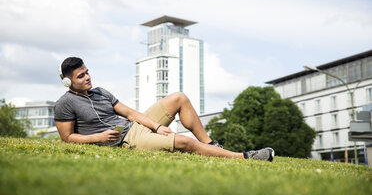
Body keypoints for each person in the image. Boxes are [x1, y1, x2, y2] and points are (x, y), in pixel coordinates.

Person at [54, 57, 274, 161]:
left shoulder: (100, 92)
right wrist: (98, 137)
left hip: (134, 126)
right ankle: (245, 157)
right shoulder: (66, 103)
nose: (88, 77)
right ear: (68, 82)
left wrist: (157, 126)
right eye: (81, 76)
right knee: (186, 142)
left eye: (87, 72)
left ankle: (211, 145)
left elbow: (131, 113)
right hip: (125, 140)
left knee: (179, 97)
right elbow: (67, 138)